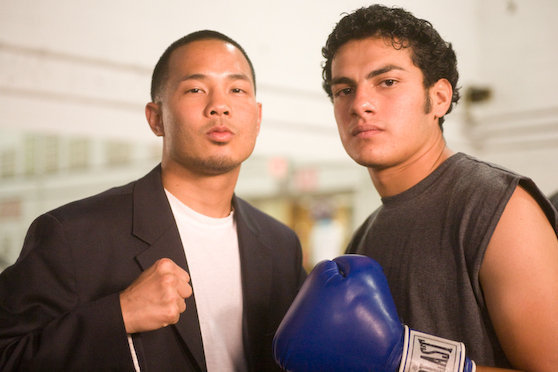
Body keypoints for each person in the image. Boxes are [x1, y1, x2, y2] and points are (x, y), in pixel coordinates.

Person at [0, 30, 306, 371]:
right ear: (155, 117)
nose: (220, 105)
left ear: (258, 115)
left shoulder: (281, 246)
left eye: (237, 89)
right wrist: (118, 315)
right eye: (195, 89)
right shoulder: (73, 235)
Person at [276, 4, 558, 372]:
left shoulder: (499, 208)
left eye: (387, 82)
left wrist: (407, 359)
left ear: (439, 98)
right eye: (344, 89)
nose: (360, 104)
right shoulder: (366, 235)